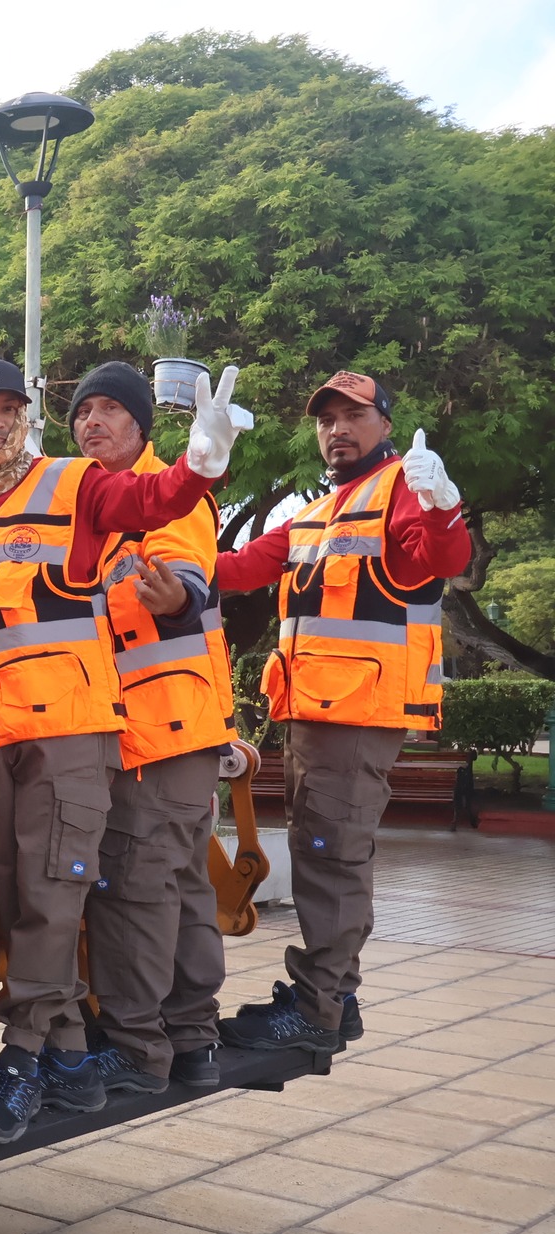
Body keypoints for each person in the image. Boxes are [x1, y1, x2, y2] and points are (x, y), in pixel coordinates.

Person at [0, 357, 245, 1144]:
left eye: (10, 409)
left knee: (86, 892)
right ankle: (83, 1055)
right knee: (39, 894)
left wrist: (196, 468)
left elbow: (157, 518)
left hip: (98, 729)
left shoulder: (77, 488)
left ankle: (60, 1052)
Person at [216, 372, 470, 1054]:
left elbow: (441, 557)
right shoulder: (314, 515)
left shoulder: (398, 492)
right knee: (323, 850)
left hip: (357, 714)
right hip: (316, 714)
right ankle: (337, 996)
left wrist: (443, 504)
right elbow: (236, 568)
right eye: (327, 418)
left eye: (354, 415)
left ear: (384, 425)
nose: (338, 428)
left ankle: (317, 1008)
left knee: (331, 856)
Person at [69, 362, 241, 1096]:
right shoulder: (90, 502)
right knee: (180, 883)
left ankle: (137, 1045)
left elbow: (184, 580)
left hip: (157, 730)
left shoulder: (168, 498)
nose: (94, 422)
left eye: (111, 409)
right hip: (177, 729)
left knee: (134, 886)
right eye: (83, 411)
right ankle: (193, 1037)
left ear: (142, 427)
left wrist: (174, 598)